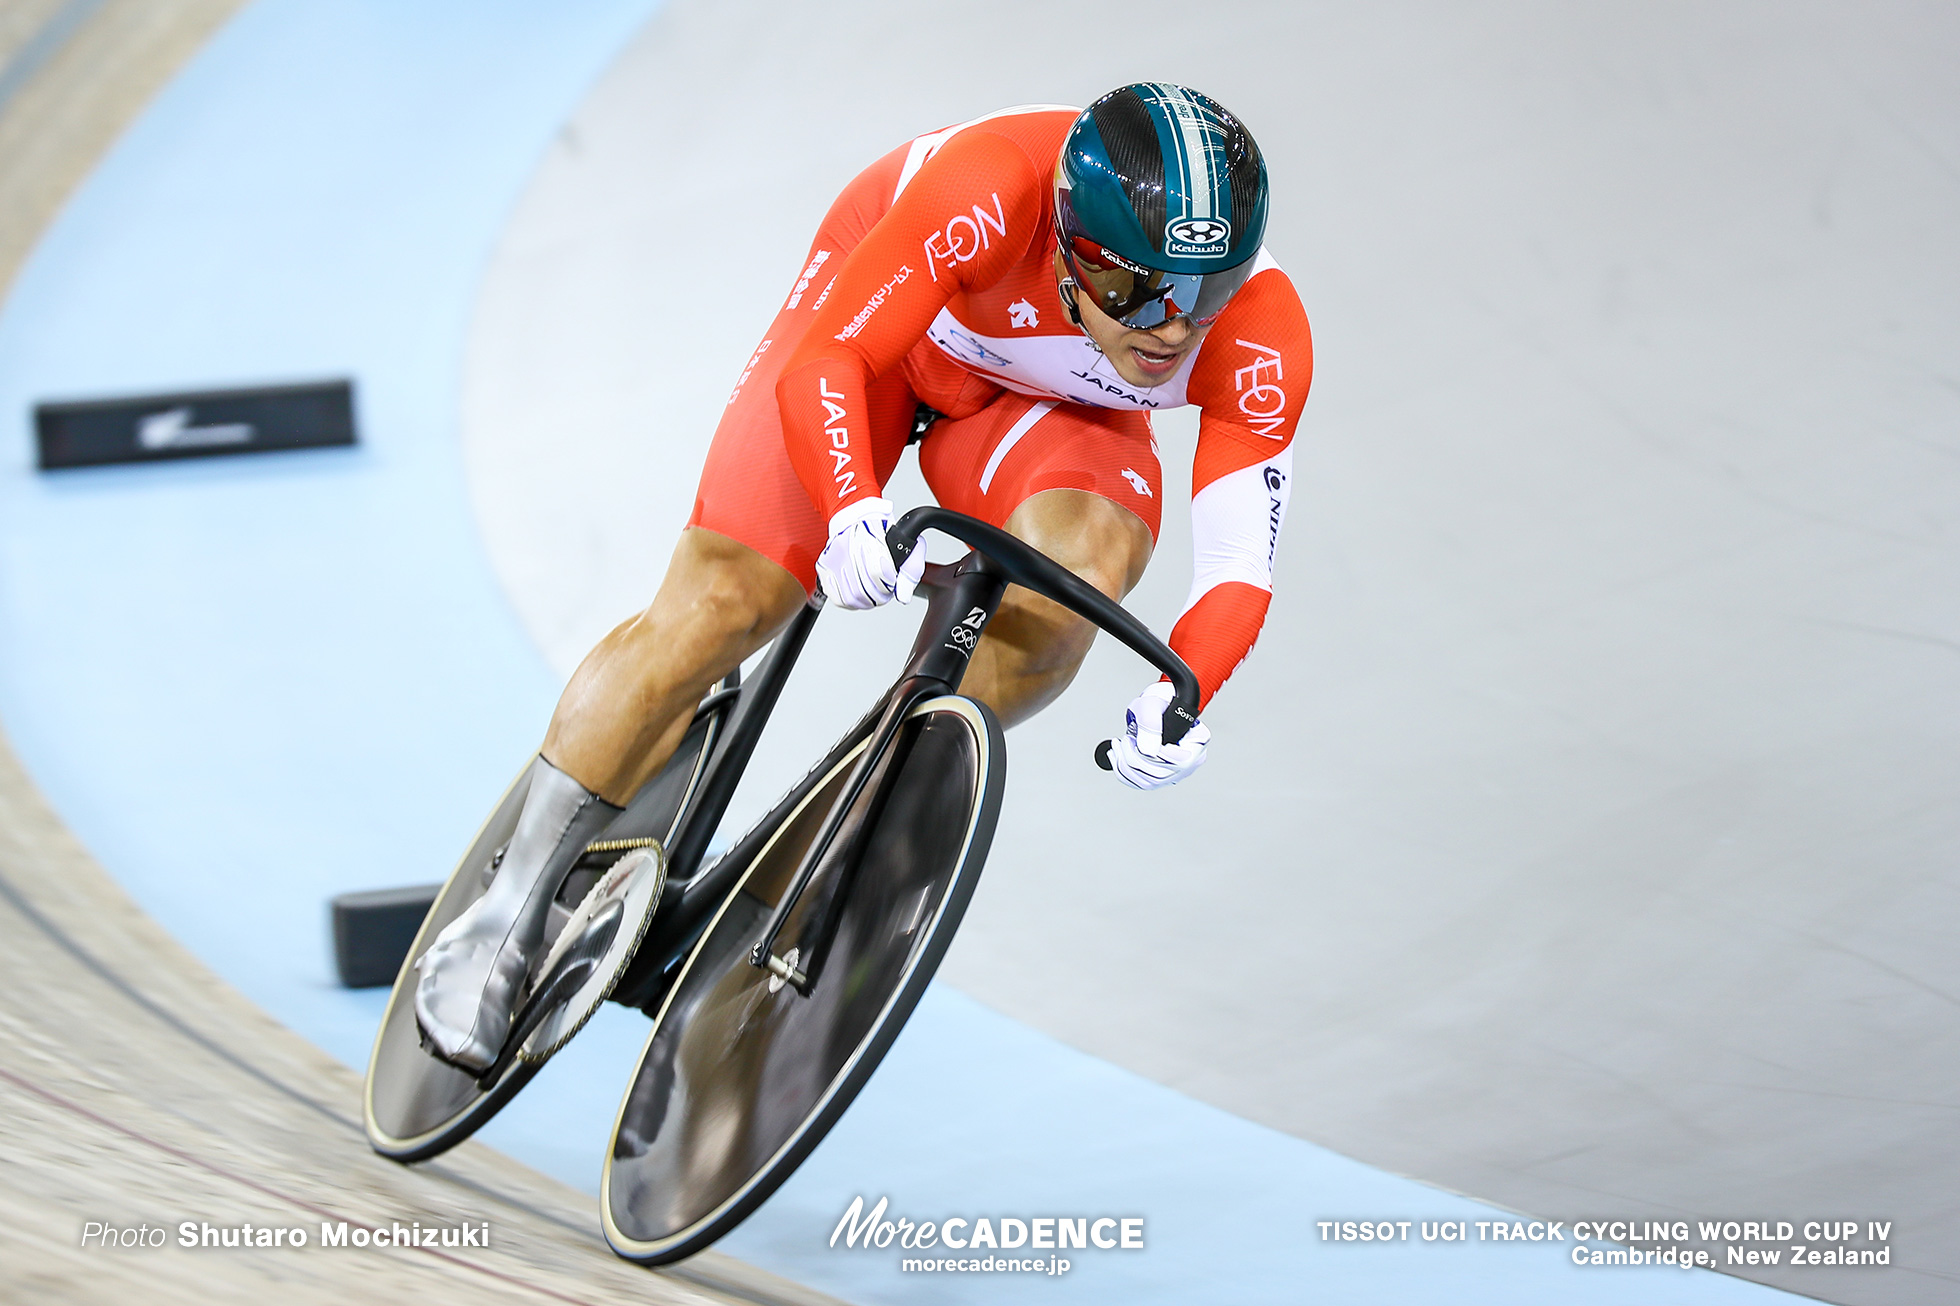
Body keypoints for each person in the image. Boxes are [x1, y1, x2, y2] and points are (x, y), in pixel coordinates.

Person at [415, 83, 1313, 1071]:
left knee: (1068, 598)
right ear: (1070, 247)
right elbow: (830, 359)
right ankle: (506, 907)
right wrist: (849, 505)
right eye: (1141, 291)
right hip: (884, 335)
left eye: (1207, 291)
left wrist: (1184, 691)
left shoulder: (1262, 332)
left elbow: (1235, 560)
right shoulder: (987, 192)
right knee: (730, 599)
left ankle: (820, 848)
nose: (1175, 330)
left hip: (1048, 404)